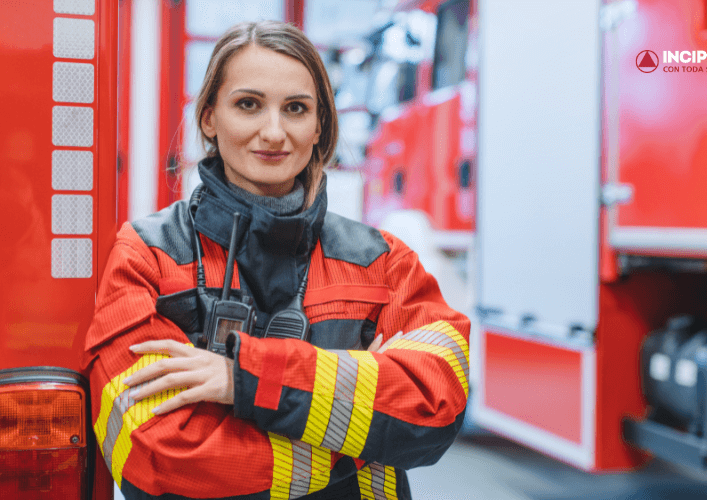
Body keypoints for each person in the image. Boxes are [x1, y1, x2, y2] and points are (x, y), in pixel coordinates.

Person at [83, 20, 470, 500]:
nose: (274, 131)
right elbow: (161, 454)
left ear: (319, 126)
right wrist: (363, 435)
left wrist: (244, 379)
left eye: (296, 109)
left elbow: (434, 407)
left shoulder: (385, 264)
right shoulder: (147, 255)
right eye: (248, 104)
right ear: (209, 117)